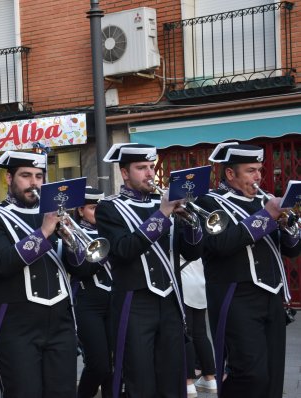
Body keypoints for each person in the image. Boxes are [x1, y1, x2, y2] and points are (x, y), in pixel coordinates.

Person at [95, 143, 204, 398]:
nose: (149, 174)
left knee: (172, 379)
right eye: (141, 168)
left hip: (171, 302)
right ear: (124, 173)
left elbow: (192, 253)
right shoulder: (109, 208)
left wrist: (192, 223)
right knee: (140, 380)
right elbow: (124, 250)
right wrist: (163, 213)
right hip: (134, 302)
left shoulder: (166, 203)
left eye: (151, 167)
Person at [0, 150, 86, 398]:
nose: (34, 183)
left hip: (60, 323)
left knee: (64, 392)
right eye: (26, 176)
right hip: (16, 325)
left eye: (39, 176)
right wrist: (45, 232)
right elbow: (1, 263)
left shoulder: (54, 215)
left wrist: (73, 242)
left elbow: (83, 269)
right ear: (8, 178)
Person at [195, 142, 300, 398]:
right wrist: (267, 216)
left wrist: (290, 225)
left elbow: (292, 251)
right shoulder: (209, 202)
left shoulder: (265, 201)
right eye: (250, 171)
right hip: (236, 295)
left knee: (273, 374)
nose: (258, 177)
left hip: (272, 296)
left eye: (259, 170)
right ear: (230, 174)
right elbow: (220, 244)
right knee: (249, 373)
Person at [67, 187, 113, 398]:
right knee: (98, 364)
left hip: (116, 301)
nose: (98, 212)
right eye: (93, 208)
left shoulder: (111, 229)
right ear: (80, 210)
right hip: (87, 302)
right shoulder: (70, 233)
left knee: (116, 363)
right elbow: (81, 269)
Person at [180, 256, 216, 397]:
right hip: (200, 283)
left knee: (186, 334)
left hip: (184, 282)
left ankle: (187, 382)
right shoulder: (199, 233)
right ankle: (210, 377)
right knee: (200, 333)